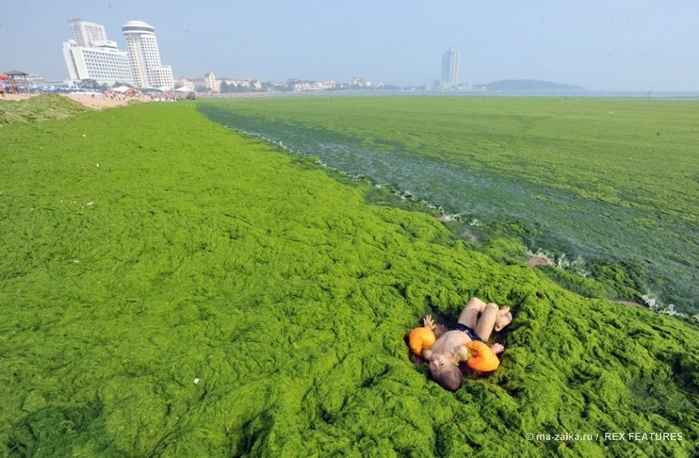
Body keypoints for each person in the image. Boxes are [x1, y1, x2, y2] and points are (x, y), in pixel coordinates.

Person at [411, 297, 513, 391]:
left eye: (433, 369)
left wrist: (428, 328)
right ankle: (499, 323)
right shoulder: (457, 356)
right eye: (441, 364)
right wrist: (492, 352)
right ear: (453, 363)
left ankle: (496, 317)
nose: (435, 362)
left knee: (475, 301)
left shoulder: (429, 355)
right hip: (477, 339)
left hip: (461, 329)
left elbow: (425, 341)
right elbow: (475, 359)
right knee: (492, 307)